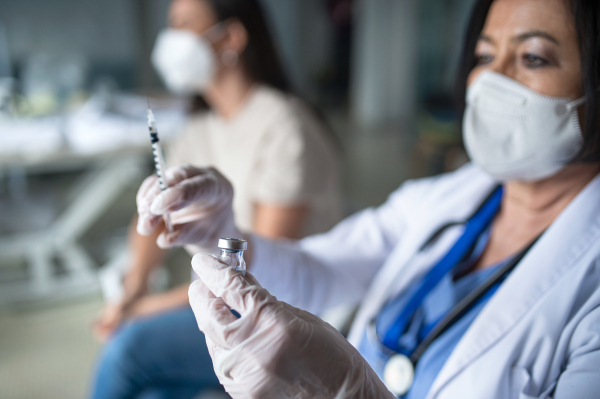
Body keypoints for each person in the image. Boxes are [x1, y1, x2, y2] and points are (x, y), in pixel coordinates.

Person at [136, 0, 600, 397]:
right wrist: (222, 232)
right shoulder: (444, 198)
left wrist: (348, 391)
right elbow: (318, 270)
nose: (491, 80)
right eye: (483, 55)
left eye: (534, 58)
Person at [90, 0, 341, 398]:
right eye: (170, 25)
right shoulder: (197, 129)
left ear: (232, 37)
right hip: (213, 301)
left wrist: (141, 312)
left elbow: (253, 279)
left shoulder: (284, 127)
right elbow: (152, 221)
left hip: (273, 313)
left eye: (186, 24)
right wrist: (132, 289)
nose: (172, 40)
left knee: (128, 351)